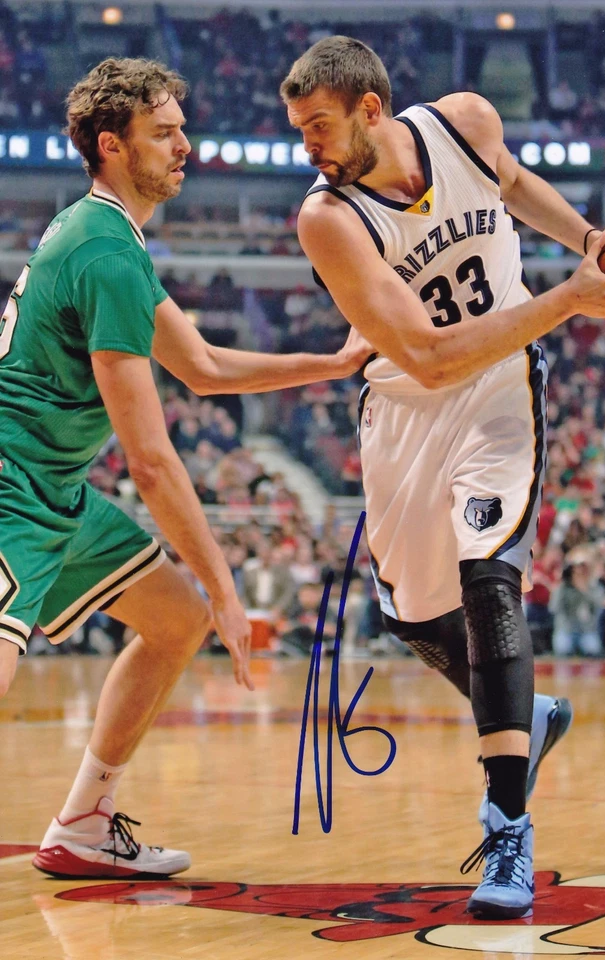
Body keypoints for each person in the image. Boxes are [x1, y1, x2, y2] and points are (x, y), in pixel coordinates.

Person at [281, 36, 605, 919]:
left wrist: (587, 241)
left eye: (318, 125)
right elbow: (422, 356)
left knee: (489, 579)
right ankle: (527, 716)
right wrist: (569, 296)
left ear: (370, 109)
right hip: (407, 404)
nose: (308, 144)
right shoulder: (328, 218)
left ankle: (507, 830)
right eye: (298, 128)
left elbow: (509, 179)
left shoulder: (465, 122)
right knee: (409, 615)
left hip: (500, 391)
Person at [0, 57, 372, 880]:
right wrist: (229, 588)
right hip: (5, 489)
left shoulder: (112, 243)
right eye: (164, 133)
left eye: (181, 128)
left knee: (173, 621)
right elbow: (153, 462)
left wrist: (331, 362)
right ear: (112, 145)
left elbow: (201, 364)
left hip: (51, 492)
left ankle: (83, 823)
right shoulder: (103, 251)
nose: (185, 146)